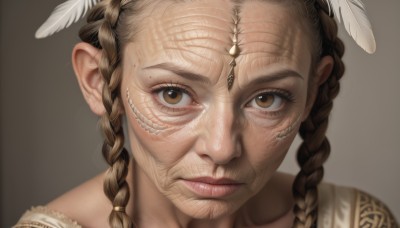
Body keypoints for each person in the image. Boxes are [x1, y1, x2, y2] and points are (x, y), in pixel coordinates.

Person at [13, 0, 398, 227]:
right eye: (173, 94)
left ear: (313, 92)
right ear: (100, 81)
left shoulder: (354, 221)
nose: (221, 148)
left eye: (268, 99)